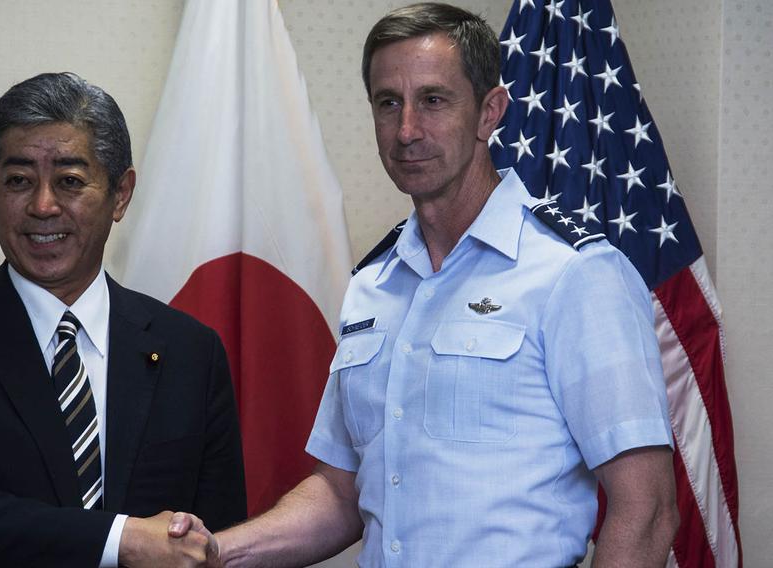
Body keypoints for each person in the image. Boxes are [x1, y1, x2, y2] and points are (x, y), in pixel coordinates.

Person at [169, 3, 679, 567]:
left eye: (433, 101)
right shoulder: (372, 284)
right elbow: (343, 490)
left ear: (490, 112)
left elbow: (647, 508)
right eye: (389, 104)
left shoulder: (573, 273)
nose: (407, 130)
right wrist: (211, 552)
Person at [0, 72, 246, 568]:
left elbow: (214, 534)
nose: (43, 205)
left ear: (120, 194)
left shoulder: (191, 350)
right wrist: (124, 539)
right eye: (18, 181)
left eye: (70, 181)